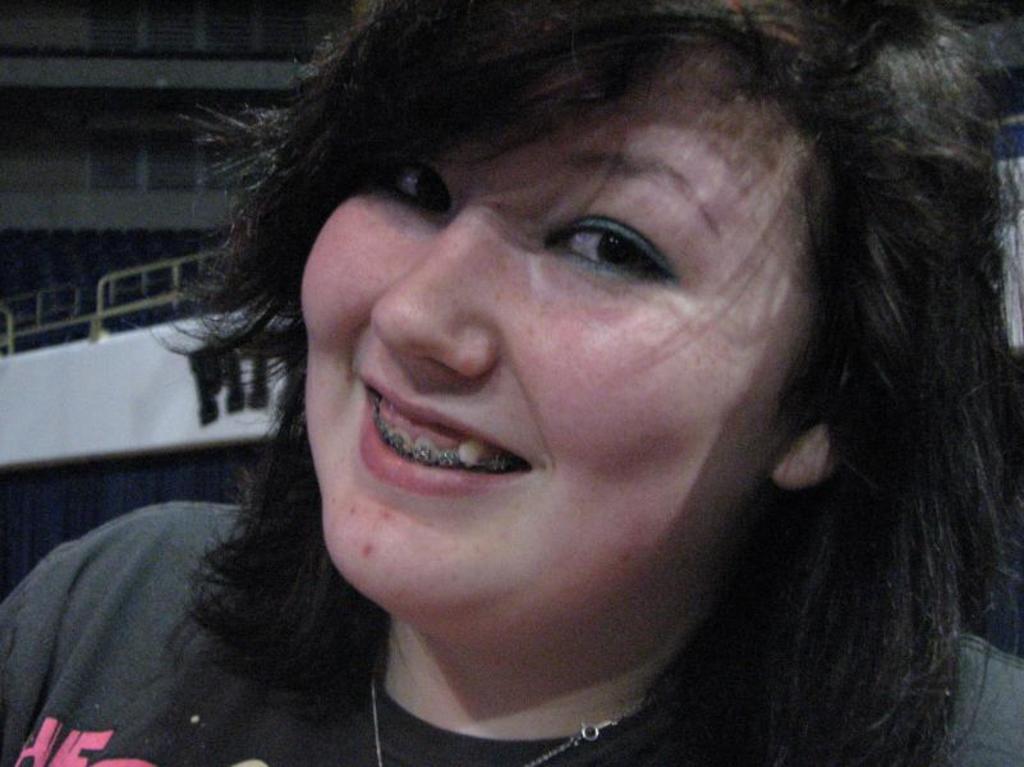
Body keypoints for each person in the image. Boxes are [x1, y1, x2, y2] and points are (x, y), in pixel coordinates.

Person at [3, 1, 1024, 765]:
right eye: (414, 183)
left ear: (826, 402)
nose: (414, 315)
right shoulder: (103, 611)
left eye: (608, 245)